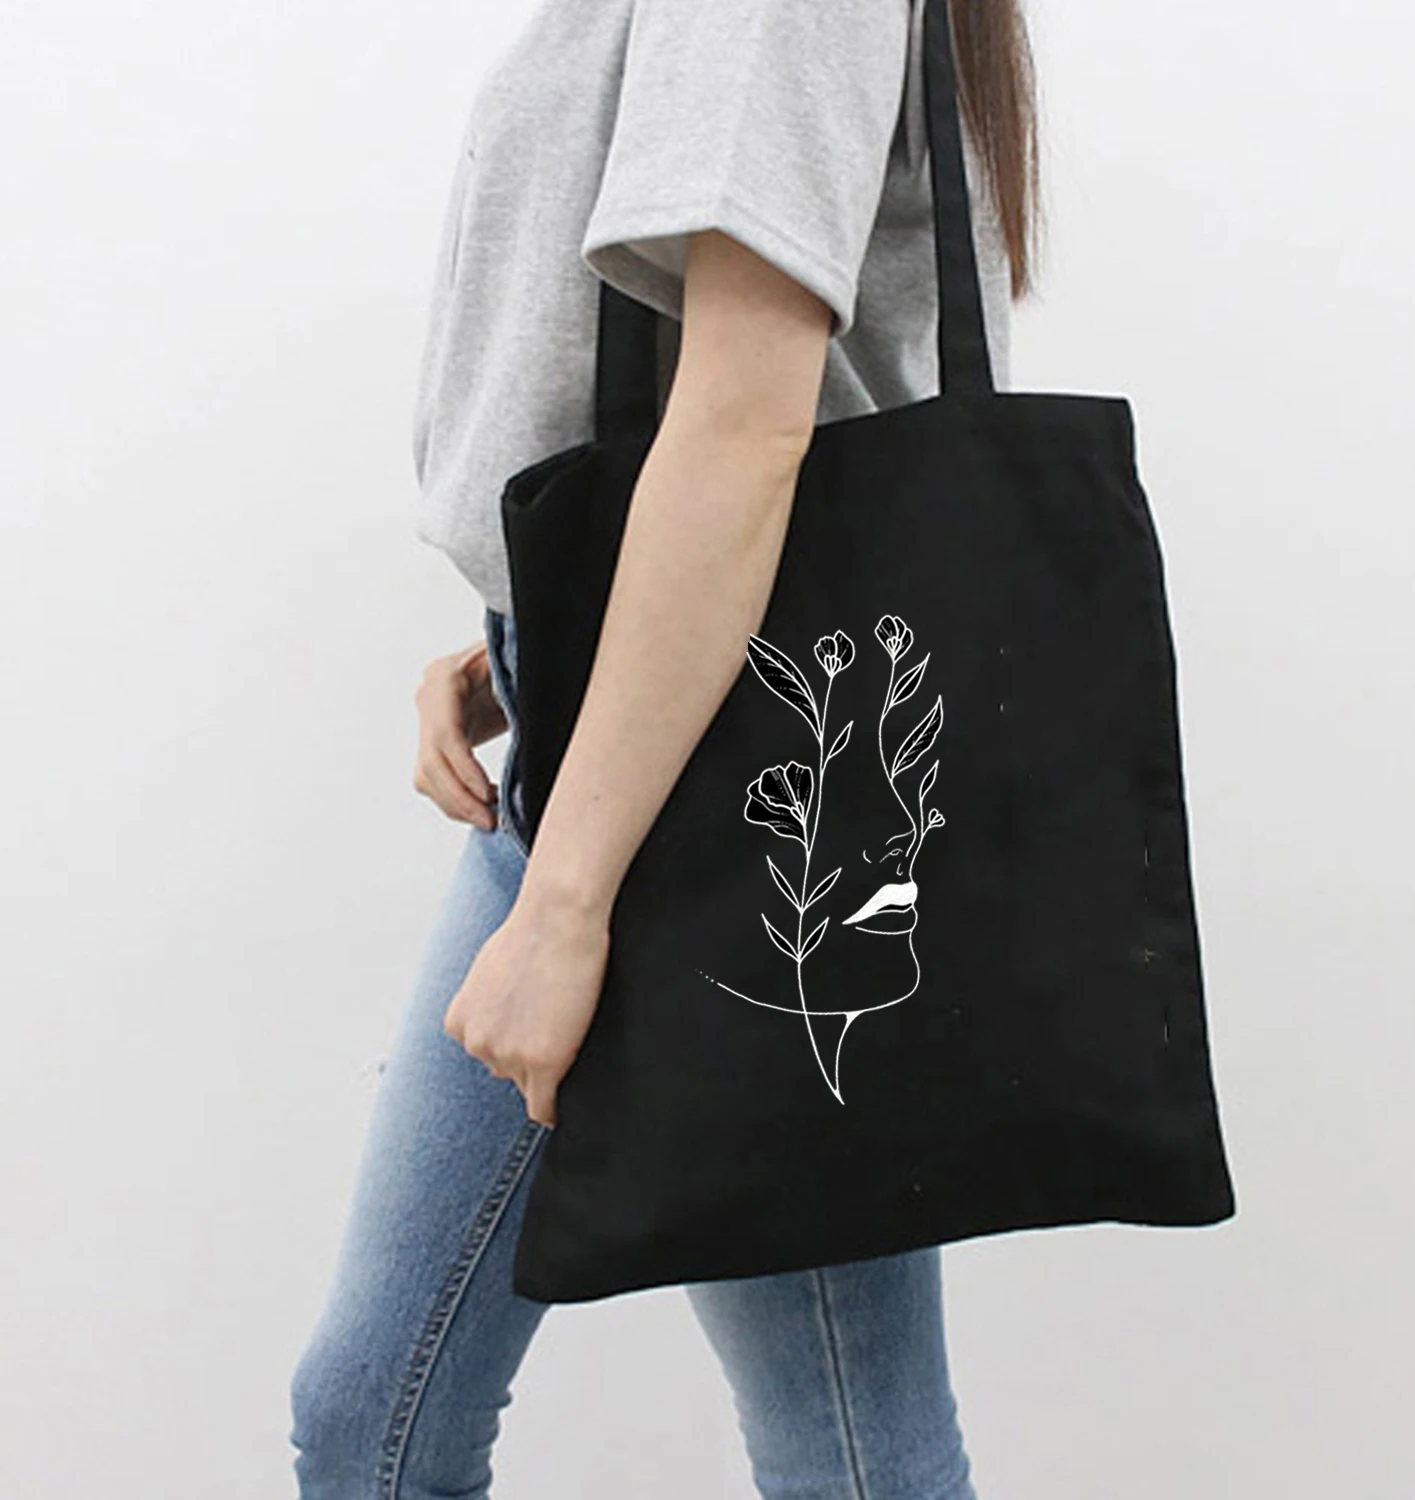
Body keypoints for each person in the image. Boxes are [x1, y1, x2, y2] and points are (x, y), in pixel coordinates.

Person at [288, 0, 1038, 1494]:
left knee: (836, 1449)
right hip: (641, 729)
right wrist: (532, 639)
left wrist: (567, 903)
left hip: (718, 802)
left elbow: (747, 423)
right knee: (385, 1415)